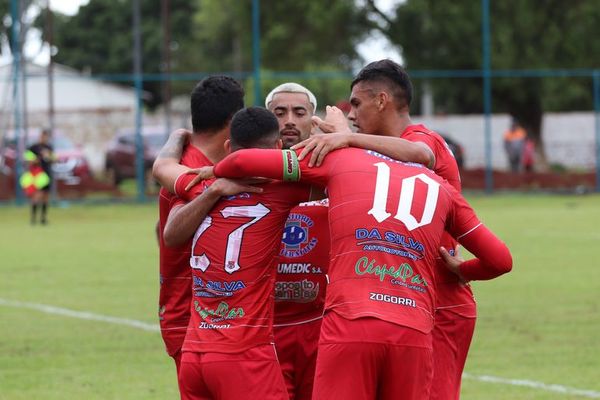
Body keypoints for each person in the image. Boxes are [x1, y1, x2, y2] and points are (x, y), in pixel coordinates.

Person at [196, 134, 512, 400]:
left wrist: (215, 171)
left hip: (351, 324)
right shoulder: (442, 188)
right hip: (413, 330)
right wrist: (462, 269)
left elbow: (240, 163)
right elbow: (500, 260)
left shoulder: (344, 161)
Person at [297, 59, 480, 400]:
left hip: (439, 306)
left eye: (356, 104)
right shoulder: (380, 152)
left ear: (382, 101)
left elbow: (419, 156)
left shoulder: (422, 140)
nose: (351, 114)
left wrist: (346, 138)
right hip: (407, 302)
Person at [169, 107, 315, 400]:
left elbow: (171, 234)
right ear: (276, 147)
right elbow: (338, 177)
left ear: (228, 148)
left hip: (195, 353)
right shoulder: (283, 189)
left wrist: (213, 190)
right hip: (244, 353)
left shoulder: (201, 183)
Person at [151, 75, 257, 393]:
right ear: (232, 120)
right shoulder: (192, 170)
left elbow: (158, 230)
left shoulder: (191, 162)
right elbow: (169, 231)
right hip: (192, 318)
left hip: (208, 315)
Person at [25, 129, 54, 225]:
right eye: (42, 136)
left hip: (47, 174)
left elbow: (53, 159)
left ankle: (43, 219)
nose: (44, 138)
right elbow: (28, 160)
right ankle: (33, 219)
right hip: (38, 175)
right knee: (37, 196)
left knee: (46, 197)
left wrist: (49, 158)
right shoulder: (34, 147)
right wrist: (37, 159)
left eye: (46, 136)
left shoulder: (49, 147)